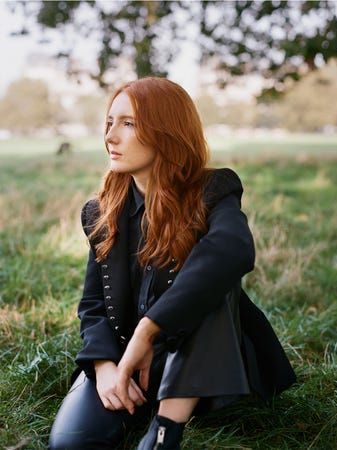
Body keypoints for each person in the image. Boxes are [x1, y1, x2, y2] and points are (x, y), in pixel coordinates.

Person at [48, 77, 296, 450]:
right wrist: (104, 369)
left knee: (214, 278)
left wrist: (148, 331)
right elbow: (94, 305)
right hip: (119, 358)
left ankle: (165, 430)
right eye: (109, 122)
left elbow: (234, 250)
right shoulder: (100, 212)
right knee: (70, 444)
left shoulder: (213, 190)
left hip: (198, 356)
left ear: (166, 132)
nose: (110, 137)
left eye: (128, 123)